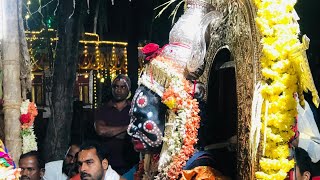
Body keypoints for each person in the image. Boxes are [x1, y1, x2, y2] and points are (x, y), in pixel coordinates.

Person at [94, 74, 138, 175]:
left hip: (130, 164)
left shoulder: (135, 109)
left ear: (128, 89)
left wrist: (111, 133)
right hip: (108, 164)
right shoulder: (103, 109)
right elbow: (101, 131)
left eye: (123, 87)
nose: (119, 90)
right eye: (116, 86)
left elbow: (135, 135)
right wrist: (127, 127)